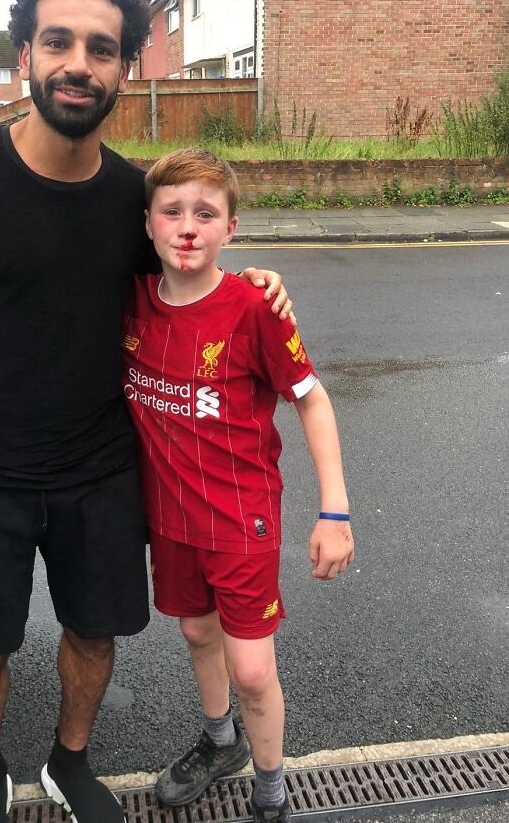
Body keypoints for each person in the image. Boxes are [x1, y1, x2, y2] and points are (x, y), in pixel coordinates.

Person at [0, 0, 293, 823]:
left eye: (101, 48)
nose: (79, 63)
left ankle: (69, 762)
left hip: (101, 470)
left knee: (93, 636)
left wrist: (260, 284)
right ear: (25, 53)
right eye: (58, 41)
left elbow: (194, 270)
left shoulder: (135, 202)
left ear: (125, 68)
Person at [121, 148, 355, 821]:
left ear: (232, 228)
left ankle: (273, 787)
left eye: (206, 213)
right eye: (172, 211)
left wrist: (334, 509)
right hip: (169, 520)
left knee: (253, 669)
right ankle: (220, 740)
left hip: (241, 521)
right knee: (198, 636)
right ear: (147, 224)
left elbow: (312, 399)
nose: (188, 226)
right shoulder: (129, 302)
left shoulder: (256, 306)